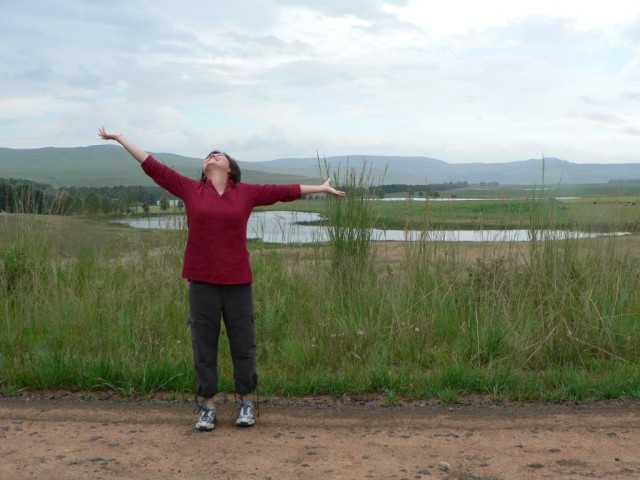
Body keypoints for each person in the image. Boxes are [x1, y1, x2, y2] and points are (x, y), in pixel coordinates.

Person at [98, 127, 345, 431]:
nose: (211, 155)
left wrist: (320, 188)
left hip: (238, 282)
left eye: (218, 154)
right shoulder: (191, 189)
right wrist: (121, 139)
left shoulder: (245, 193)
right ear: (205, 170)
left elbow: (283, 191)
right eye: (208, 155)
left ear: (230, 168)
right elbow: (153, 167)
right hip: (201, 281)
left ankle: (246, 403)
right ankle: (208, 407)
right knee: (204, 344)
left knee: (243, 343)